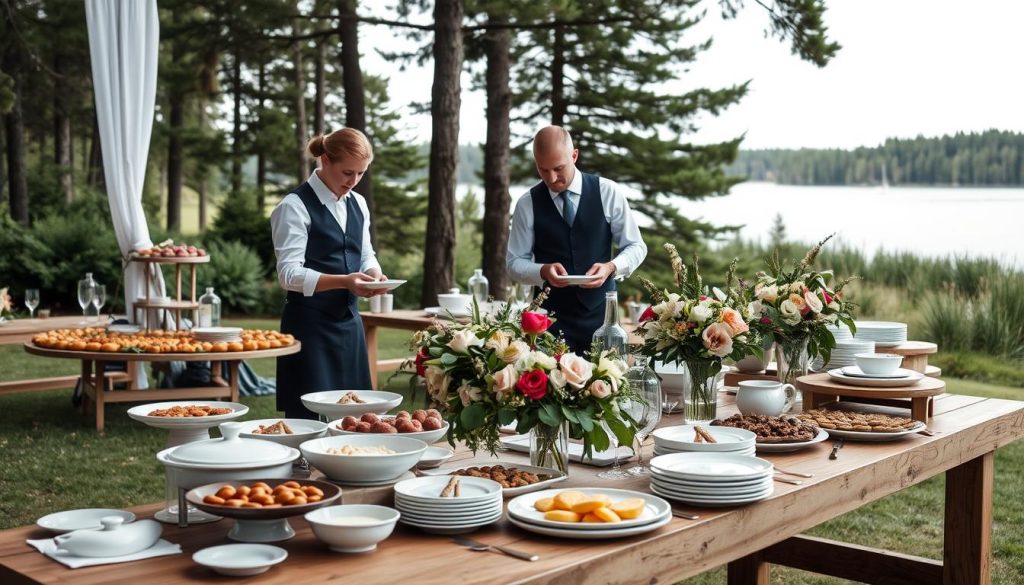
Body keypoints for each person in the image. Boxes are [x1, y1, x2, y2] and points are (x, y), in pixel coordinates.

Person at [270, 128, 388, 419]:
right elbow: (288, 274)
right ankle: (301, 465)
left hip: (349, 324)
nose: (353, 181)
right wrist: (345, 282)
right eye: (348, 172)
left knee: (357, 415)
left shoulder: (358, 203)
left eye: (361, 174)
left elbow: (365, 253)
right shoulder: (294, 206)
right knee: (307, 418)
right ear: (324, 160)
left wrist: (374, 273)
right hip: (309, 326)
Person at [506, 125, 648, 354]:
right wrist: (542, 271)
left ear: (574, 156)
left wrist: (611, 267)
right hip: (547, 324)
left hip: (604, 322)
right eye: (543, 170)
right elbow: (514, 264)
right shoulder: (527, 203)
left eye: (558, 168)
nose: (552, 178)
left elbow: (636, 246)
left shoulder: (608, 192)